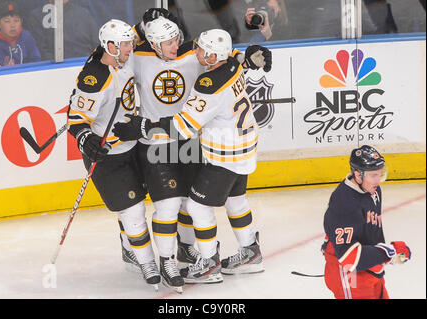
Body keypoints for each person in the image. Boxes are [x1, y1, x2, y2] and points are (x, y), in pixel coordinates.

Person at [113, 28, 267, 284]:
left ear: (211, 55)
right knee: (236, 199)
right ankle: (250, 251)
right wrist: (247, 58)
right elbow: (237, 60)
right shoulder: (232, 66)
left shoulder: (209, 85)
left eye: (200, 49)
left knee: (196, 206)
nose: (194, 51)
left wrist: (141, 126)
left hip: (225, 156)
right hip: (246, 147)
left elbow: (181, 127)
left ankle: (208, 264)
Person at [66, 19, 162, 290]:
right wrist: (86, 138)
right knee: (134, 211)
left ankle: (128, 245)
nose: (131, 47)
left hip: (133, 144)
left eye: (130, 43)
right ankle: (146, 261)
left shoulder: (123, 54)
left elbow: (138, 31)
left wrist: (146, 22)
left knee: (139, 201)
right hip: (108, 155)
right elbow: (76, 120)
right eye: (125, 45)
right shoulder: (95, 78)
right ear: (110, 46)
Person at [322, 145, 412, 299]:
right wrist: (386, 252)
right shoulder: (344, 203)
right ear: (358, 175)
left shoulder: (373, 189)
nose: (378, 180)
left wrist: (386, 255)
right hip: (350, 277)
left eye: (380, 174)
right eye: (373, 175)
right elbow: (350, 259)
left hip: (370, 269)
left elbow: (368, 231)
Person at [23, 0, 99, 60]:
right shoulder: (36, 16)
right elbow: (41, 50)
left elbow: (97, 42)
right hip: (55, 69)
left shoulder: (83, 13)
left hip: (85, 64)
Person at [0, 1, 41, 69]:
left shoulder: (26, 36)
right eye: (7, 21)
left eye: (16, 20)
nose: (13, 25)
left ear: (21, 22)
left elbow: (36, 62)